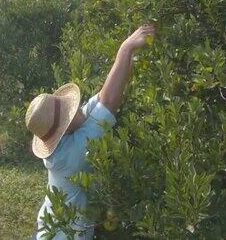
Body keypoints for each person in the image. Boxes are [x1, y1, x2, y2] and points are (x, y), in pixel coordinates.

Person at [25, 24, 157, 239]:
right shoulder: (71, 155)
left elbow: (103, 95)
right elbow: (109, 102)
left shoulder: (70, 132)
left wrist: (129, 56)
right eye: (69, 110)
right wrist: (124, 49)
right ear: (65, 130)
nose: (76, 108)